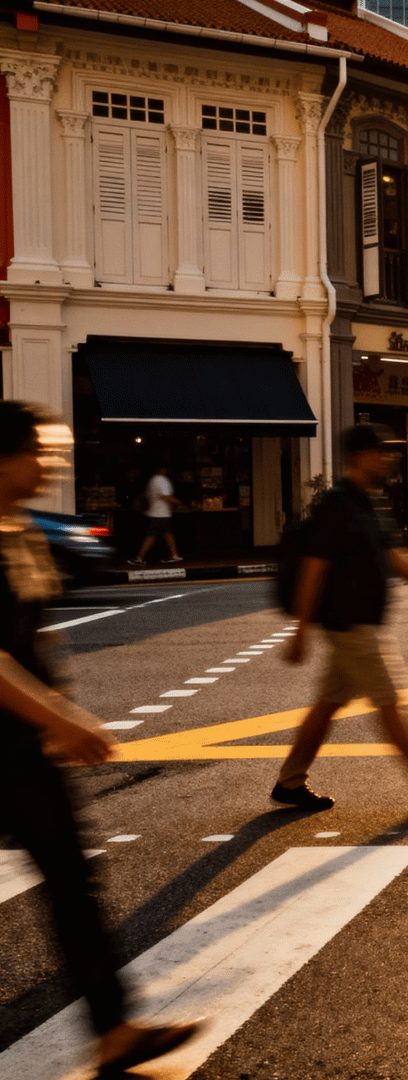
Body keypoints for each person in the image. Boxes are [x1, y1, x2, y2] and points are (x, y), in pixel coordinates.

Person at [0, 402, 202, 1074]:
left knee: (72, 880)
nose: (48, 463)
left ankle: (113, 1030)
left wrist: (58, 711)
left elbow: (31, 633)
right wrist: (61, 718)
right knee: (69, 880)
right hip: (12, 739)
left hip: (22, 746)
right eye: (37, 450)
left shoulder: (20, 528)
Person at [276, 424, 408, 810]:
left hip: (360, 622)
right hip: (349, 624)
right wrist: (300, 627)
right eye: (378, 452)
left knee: (329, 703)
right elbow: (313, 567)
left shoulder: (366, 502)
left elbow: (392, 557)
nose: (384, 458)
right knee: (388, 699)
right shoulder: (337, 504)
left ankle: (289, 781)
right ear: (359, 457)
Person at [128, 464, 182, 566]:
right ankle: (140, 557)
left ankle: (174, 555)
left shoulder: (153, 480)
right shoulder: (161, 481)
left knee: (163, 534)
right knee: (155, 535)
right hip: (160, 513)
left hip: (157, 512)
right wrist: (179, 502)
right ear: (164, 469)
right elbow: (165, 496)